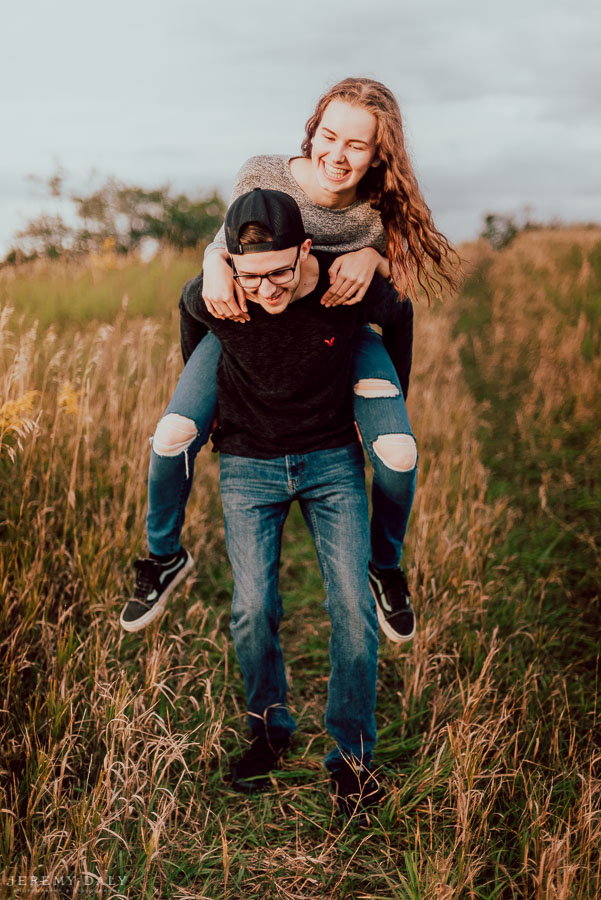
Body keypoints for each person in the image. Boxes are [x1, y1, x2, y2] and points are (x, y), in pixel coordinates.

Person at [120, 77, 459, 641]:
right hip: (247, 326)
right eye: (329, 135)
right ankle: (162, 558)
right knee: (173, 434)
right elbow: (233, 237)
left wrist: (373, 255)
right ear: (313, 130)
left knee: (398, 452)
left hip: (342, 335)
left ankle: (385, 567)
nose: (337, 154)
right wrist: (210, 262)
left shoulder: (378, 209)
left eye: (357, 145)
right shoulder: (263, 173)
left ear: (379, 154)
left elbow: (397, 293)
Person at [170, 188, 414, 813]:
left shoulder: (340, 286)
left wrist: (387, 396)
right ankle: (269, 730)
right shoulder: (219, 291)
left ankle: (352, 756)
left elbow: (401, 309)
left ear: (305, 250)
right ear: (230, 264)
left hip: (332, 461)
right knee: (253, 608)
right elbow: (190, 319)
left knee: (353, 609)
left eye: (279, 272)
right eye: (252, 277)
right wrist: (212, 414)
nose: (267, 289)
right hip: (249, 466)